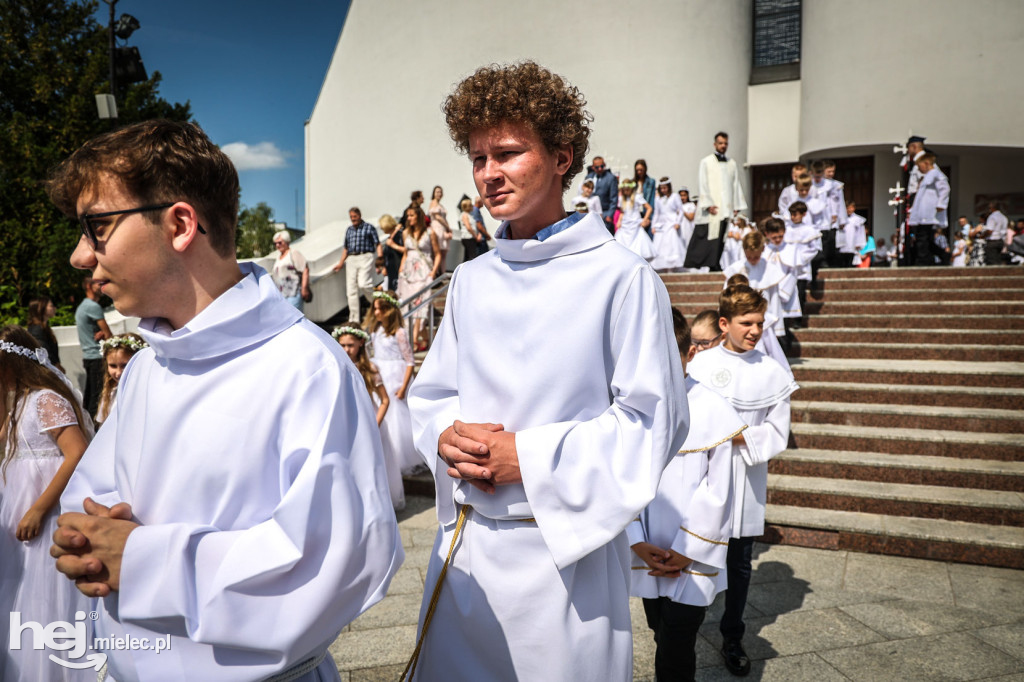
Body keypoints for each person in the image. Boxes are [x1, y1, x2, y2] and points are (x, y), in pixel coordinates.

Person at [46, 119, 402, 681]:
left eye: (97, 227)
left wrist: (143, 560)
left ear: (181, 224)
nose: (80, 256)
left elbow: (331, 569)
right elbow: (93, 498)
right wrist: (82, 536)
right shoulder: (145, 365)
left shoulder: (306, 368)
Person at [406, 61, 689, 682]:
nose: (488, 174)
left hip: (566, 558)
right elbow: (432, 393)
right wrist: (446, 434)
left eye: (507, 152)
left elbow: (653, 422)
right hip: (468, 553)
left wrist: (527, 458)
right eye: (477, 157)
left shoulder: (621, 277)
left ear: (562, 157)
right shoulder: (472, 279)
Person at [628, 309, 745, 682]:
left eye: (670, 356)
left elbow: (719, 491)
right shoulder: (634, 409)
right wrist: (635, 540)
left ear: (690, 353)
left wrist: (686, 549)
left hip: (692, 554)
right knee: (660, 631)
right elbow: (621, 480)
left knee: (678, 641)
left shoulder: (712, 407)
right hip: (646, 549)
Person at [687, 285, 798, 678]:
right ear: (724, 323)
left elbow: (777, 431)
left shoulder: (771, 371)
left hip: (745, 472)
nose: (754, 330)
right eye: (745, 323)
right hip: (700, 473)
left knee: (739, 561)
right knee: (695, 546)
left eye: (760, 323)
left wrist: (734, 435)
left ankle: (732, 634)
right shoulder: (700, 364)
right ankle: (683, 626)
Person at [0, 326, 94, 681]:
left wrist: (39, 508)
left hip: (47, 507)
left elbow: (76, 453)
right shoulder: (18, 402)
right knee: (21, 592)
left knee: (47, 592)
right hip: (17, 505)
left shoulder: (45, 399)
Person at [333, 322, 403, 510]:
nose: (346, 349)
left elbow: (385, 400)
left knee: (370, 464)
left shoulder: (369, 369)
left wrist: (375, 424)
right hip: (346, 420)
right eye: (342, 345)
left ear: (360, 344)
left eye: (350, 345)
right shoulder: (335, 365)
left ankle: (375, 506)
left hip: (370, 421)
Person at [364, 290, 422, 476]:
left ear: (389, 310)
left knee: (397, 417)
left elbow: (410, 361)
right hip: (381, 374)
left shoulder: (400, 333)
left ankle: (400, 458)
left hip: (396, 377)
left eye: (380, 309)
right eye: (375, 309)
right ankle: (386, 455)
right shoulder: (376, 332)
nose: (376, 313)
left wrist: (404, 386)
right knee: (383, 413)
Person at [688, 132, 748, 271]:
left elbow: (735, 184)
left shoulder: (731, 163)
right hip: (713, 207)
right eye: (720, 143)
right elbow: (702, 183)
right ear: (715, 144)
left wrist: (736, 205)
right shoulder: (706, 162)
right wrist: (707, 204)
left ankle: (716, 262)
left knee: (722, 237)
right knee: (710, 236)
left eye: (725, 143)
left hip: (726, 206)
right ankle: (710, 263)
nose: (723, 146)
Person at [397, 204, 442, 351]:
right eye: (408, 215)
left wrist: (433, 271)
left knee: (420, 306)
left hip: (423, 273)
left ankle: (412, 340)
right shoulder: (406, 233)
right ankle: (422, 339)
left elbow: (438, 253)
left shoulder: (430, 233)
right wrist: (400, 270)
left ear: (419, 216)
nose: (408, 218)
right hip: (408, 274)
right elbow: (405, 253)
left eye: (411, 215)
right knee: (407, 307)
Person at [332, 207, 383, 322]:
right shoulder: (349, 230)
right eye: (351, 217)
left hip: (365, 256)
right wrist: (340, 263)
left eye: (354, 217)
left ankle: (377, 302)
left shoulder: (369, 227)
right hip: (351, 259)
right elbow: (346, 248)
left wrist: (380, 258)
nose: (353, 219)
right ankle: (354, 319)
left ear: (359, 215)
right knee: (351, 290)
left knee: (364, 284)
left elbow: (378, 244)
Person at [74, 276, 111, 416]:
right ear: (89, 286)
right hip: (97, 357)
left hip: (88, 357)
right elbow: (109, 335)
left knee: (90, 395)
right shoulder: (93, 306)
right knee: (98, 397)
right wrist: (105, 334)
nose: (101, 287)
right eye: (98, 284)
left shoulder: (82, 306)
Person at [907, 153, 949, 266]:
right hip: (922, 214)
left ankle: (923, 261)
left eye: (920, 166)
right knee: (926, 240)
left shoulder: (936, 174)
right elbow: (921, 198)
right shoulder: (927, 177)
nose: (919, 169)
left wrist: (941, 204)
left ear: (926, 163)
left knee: (922, 239)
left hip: (929, 214)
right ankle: (942, 255)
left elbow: (945, 189)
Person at [95, 333, 147, 425]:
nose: (119, 373)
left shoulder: (147, 393)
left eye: (125, 365)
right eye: (113, 366)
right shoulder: (110, 393)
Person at [650, 177, 686, 272]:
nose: (663, 190)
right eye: (661, 188)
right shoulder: (658, 199)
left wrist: (678, 222)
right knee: (661, 245)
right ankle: (663, 267)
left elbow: (681, 210)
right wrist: (653, 225)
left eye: (665, 188)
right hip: (661, 224)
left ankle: (672, 267)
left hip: (672, 223)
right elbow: (657, 213)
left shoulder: (674, 196)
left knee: (671, 245)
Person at [270, 229, 311, 310]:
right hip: (281, 295)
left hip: (293, 293)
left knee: (293, 319)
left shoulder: (293, 253)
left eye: (280, 242)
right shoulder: (278, 257)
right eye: (275, 243)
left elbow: (305, 269)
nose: (277, 245)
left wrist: (304, 288)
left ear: (287, 242)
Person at [615, 179, 655, 261]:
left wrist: (645, 219)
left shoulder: (637, 197)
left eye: (627, 189)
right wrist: (619, 221)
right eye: (624, 189)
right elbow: (622, 212)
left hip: (635, 225)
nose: (626, 191)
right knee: (622, 244)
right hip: (625, 225)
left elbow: (649, 208)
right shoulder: (622, 199)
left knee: (637, 245)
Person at [26, 296, 63, 372]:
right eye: (51, 306)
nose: (54, 308)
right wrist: (57, 366)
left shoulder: (43, 328)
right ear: (41, 308)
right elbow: (44, 352)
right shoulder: (37, 330)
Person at [585, 155, 619, 234]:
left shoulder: (611, 178)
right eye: (597, 167)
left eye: (602, 166)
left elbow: (614, 199)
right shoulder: (589, 177)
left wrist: (610, 215)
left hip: (604, 213)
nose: (600, 169)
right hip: (591, 213)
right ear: (593, 167)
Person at [428, 185, 454, 270]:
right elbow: (437, 217)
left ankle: (443, 274)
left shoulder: (440, 205)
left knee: (443, 254)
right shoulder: (433, 202)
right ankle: (436, 274)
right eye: (437, 192)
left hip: (442, 229)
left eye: (440, 192)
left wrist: (447, 228)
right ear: (434, 193)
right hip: (436, 229)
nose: (439, 194)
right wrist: (448, 226)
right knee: (437, 253)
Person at [839, 200, 868, 267]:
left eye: (850, 208)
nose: (849, 210)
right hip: (842, 244)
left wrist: (859, 243)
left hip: (852, 244)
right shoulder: (841, 218)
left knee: (851, 262)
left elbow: (860, 233)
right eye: (847, 208)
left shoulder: (857, 219)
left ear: (854, 208)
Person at [379, 214, 403, 291]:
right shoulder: (389, 238)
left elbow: (406, 250)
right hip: (391, 271)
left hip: (398, 269)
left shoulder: (400, 235)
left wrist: (393, 245)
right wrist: (384, 267)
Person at [634, 159, 656, 236]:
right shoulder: (633, 183)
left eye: (641, 170)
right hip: (636, 214)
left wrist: (648, 217)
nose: (639, 172)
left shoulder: (651, 182)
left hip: (646, 213)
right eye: (637, 170)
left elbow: (652, 200)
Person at [457, 196, 479, 262]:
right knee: (472, 256)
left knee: (467, 257)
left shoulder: (467, 215)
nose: (472, 206)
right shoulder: (465, 215)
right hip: (468, 237)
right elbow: (468, 227)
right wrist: (476, 236)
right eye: (470, 205)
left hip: (469, 237)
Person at [678, 187, 698, 258]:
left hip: (688, 229)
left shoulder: (691, 205)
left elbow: (691, 217)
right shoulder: (677, 206)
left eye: (684, 195)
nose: (682, 197)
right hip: (679, 229)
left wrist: (681, 210)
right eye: (681, 195)